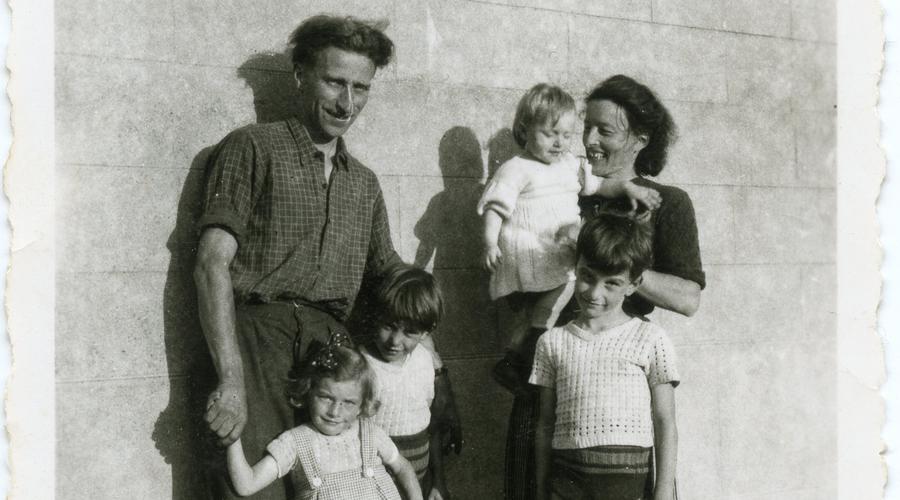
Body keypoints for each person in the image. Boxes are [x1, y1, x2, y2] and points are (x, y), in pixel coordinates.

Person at [194, 16, 458, 500]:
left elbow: (393, 282)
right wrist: (231, 381)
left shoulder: (364, 182)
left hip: (332, 349)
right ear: (300, 75)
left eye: (361, 87)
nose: (347, 102)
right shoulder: (252, 148)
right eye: (335, 81)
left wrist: (438, 374)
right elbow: (211, 264)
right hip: (257, 342)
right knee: (254, 488)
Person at [503, 75, 704, 500]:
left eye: (605, 130)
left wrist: (617, 267)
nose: (589, 140)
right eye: (586, 127)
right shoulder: (563, 186)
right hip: (542, 370)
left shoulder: (666, 202)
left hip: (614, 407)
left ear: (641, 139)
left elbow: (688, 298)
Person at [477, 83, 661, 393]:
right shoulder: (515, 169)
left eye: (566, 135)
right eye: (550, 134)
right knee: (541, 307)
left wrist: (628, 188)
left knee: (552, 301)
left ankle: (519, 358)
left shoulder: (569, 166)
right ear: (524, 129)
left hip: (556, 251)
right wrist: (489, 242)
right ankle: (522, 356)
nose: (560, 143)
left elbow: (599, 186)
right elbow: (495, 207)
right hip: (530, 251)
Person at [531, 213, 679, 500]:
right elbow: (545, 424)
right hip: (567, 481)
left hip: (627, 482)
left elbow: (665, 421)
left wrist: (662, 492)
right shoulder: (552, 342)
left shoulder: (650, 339)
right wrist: (540, 490)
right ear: (576, 267)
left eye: (611, 283)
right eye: (587, 277)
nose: (595, 293)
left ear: (633, 285)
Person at [227, 335, 423, 500]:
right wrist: (231, 436)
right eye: (326, 398)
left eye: (348, 403)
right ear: (308, 392)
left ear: (361, 405)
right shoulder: (295, 442)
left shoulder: (370, 433)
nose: (335, 412)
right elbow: (246, 485)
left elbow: (403, 468)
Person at [358, 265, 450, 499]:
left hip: (419, 484)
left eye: (409, 332)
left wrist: (437, 481)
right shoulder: (360, 365)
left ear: (426, 332)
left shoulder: (424, 361)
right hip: (373, 487)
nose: (395, 341)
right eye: (388, 326)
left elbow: (433, 426)